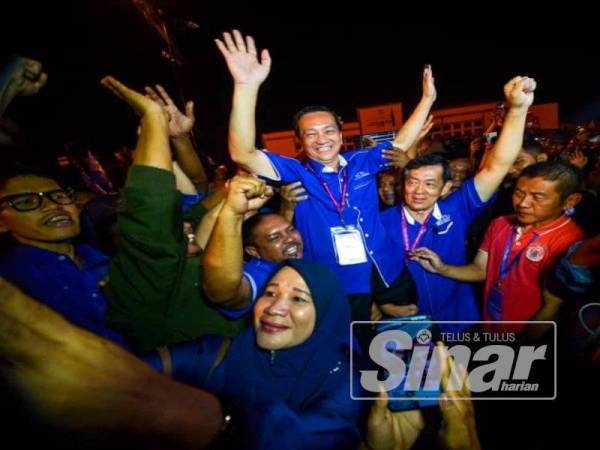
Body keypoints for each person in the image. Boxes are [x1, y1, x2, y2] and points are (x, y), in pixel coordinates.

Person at [216, 29, 432, 320]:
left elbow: (400, 143)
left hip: (389, 268)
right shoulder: (294, 172)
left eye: (329, 131)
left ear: (342, 135)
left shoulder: (361, 162)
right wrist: (245, 86)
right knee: (360, 353)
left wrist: (427, 99)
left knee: (412, 339)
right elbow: (242, 152)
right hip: (338, 285)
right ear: (299, 142)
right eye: (311, 134)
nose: (322, 140)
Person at [146, 258, 363, 449]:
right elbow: (132, 371)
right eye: (269, 293)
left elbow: (304, 439)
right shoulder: (218, 353)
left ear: (326, 315)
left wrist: (216, 420)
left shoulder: (347, 382)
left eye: (298, 299)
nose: (274, 308)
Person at [100, 76, 246, 352]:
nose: (187, 227)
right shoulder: (148, 285)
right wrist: (153, 119)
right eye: (169, 229)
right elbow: (152, 205)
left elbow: (199, 187)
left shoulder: (187, 233)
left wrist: (177, 138)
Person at [381, 75, 537, 331]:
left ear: (445, 187)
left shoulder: (457, 208)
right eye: (412, 182)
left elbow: (497, 166)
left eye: (430, 184)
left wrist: (518, 109)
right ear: (402, 185)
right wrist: (382, 303)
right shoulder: (381, 222)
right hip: (410, 328)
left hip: (461, 322)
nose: (419, 191)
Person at [411, 160, 584, 336]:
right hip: (491, 327)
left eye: (537, 197)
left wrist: (520, 348)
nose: (523, 203)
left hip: (530, 341)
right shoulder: (501, 224)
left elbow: (552, 310)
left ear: (570, 201)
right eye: (519, 193)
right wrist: (443, 268)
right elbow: (480, 270)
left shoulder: (570, 243)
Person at [0, 165, 125, 345]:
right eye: (27, 201)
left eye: (59, 196)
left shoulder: (103, 258)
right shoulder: (13, 285)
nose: (52, 205)